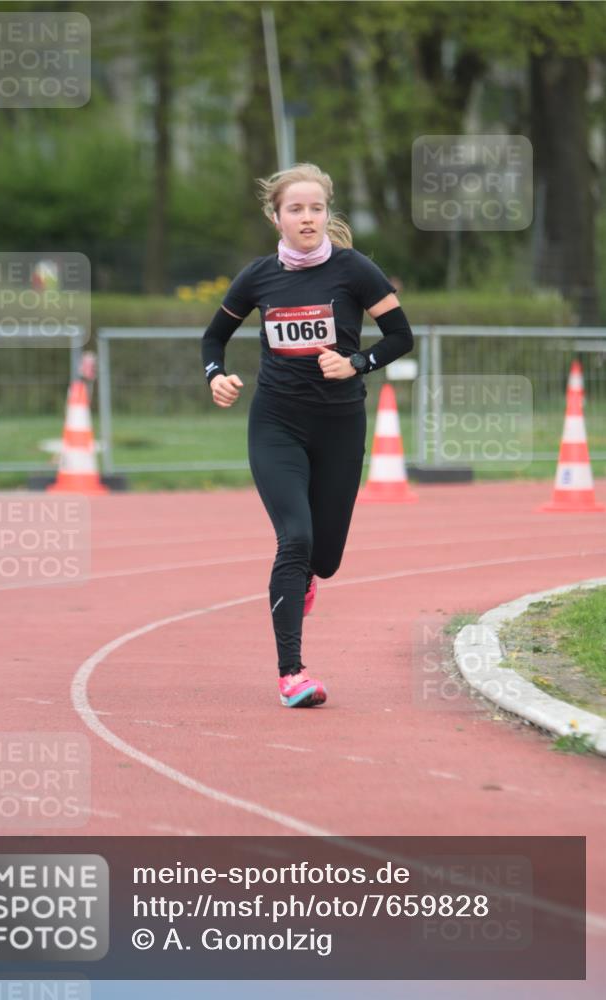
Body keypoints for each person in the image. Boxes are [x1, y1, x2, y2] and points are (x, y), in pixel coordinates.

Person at [201, 163, 414, 708]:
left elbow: (400, 336)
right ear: (276, 217)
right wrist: (216, 376)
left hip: (340, 424)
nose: (307, 217)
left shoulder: (354, 270)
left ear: (327, 213)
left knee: (326, 557)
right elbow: (213, 338)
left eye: (316, 208)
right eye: (296, 209)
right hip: (276, 422)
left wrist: (358, 363)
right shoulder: (258, 277)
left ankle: (310, 577)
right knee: (294, 539)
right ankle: (291, 675)